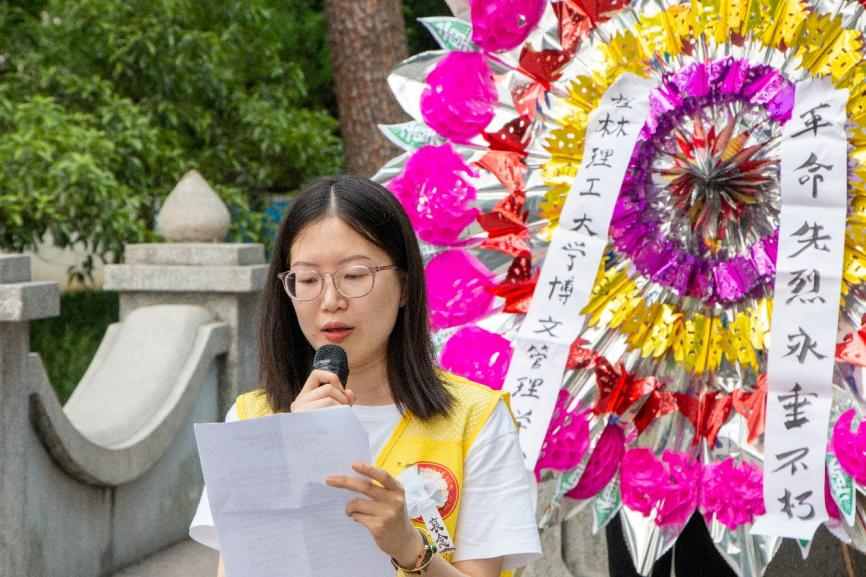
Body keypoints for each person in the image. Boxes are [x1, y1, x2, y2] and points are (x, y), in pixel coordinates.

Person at [189, 175, 542, 577]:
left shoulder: (476, 419)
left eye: (354, 275)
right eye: (308, 279)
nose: (330, 301)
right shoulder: (252, 419)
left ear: (405, 286)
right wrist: (287, 446)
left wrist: (409, 548)